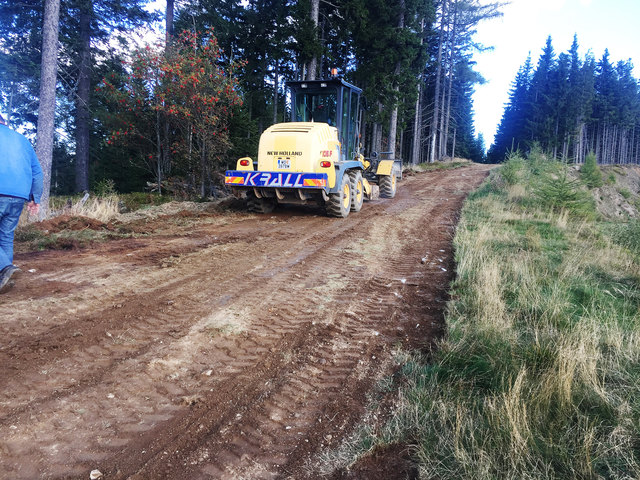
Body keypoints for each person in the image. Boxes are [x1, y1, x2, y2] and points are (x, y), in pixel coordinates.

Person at [0, 113, 43, 292]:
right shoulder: (22, 140)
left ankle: (6, 268)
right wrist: (35, 198)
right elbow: (37, 172)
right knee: (6, 237)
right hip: (18, 196)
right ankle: (5, 280)